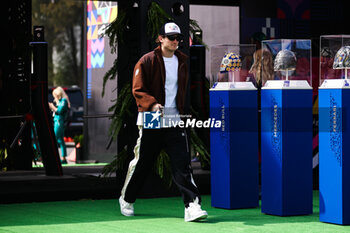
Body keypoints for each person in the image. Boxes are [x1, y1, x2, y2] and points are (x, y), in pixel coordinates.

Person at [118, 22, 208, 222]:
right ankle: (127, 198)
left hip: (175, 120)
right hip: (151, 118)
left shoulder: (183, 61)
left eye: (178, 38)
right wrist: (152, 105)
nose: (176, 41)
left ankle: (192, 205)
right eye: (171, 37)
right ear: (160, 38)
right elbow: (138, 89)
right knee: (142, 162)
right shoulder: (146, 61)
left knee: (182, 164)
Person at [48, 86, 70, 164]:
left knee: (54, 138)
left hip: (59, 121)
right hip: (57, 121)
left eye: (56, 95)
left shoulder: (63, 100)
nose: (55, 97)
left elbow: (59, 111)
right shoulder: (61, 101)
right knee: (60, 140)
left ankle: (53, 157)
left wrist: (52, 106)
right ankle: (63, 158)